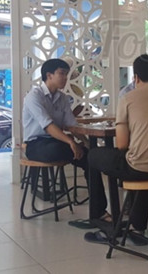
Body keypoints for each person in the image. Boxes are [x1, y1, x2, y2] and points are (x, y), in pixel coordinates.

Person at [84, 54, 148, 244]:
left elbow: (122, 144)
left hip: (142, 168)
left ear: (136, 77)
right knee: (143, 159)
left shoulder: (128, 98)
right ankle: (137, 225)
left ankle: (101, 217)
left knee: (94, 155)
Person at [22, 58, 109, 225]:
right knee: (58, 149)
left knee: (92, 159)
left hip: (58, 143)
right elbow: (48, 126)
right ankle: (74, 149)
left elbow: (71, 124)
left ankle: (98, 212)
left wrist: (86, 143)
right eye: (61, 73)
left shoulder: (62, 98)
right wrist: (71, 142)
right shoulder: (34, 96)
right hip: (36, 145)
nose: (65, 78)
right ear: (49, 75)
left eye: (66, 74)